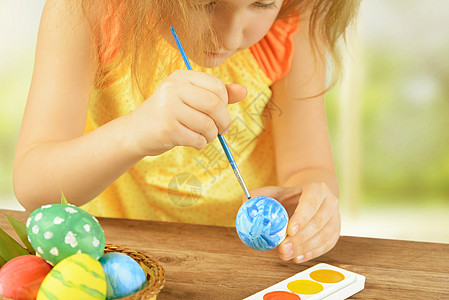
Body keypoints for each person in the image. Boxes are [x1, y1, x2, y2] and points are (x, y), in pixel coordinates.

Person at [13, 0, 359, 264]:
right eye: (205, 2)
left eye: (262, 3)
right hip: (121, 259)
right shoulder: (88, 10)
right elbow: (34, 185)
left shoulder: (293, 21)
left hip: (244, 264)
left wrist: (314, 202)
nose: (229, 36)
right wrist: (136, 132)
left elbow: (309, 167)